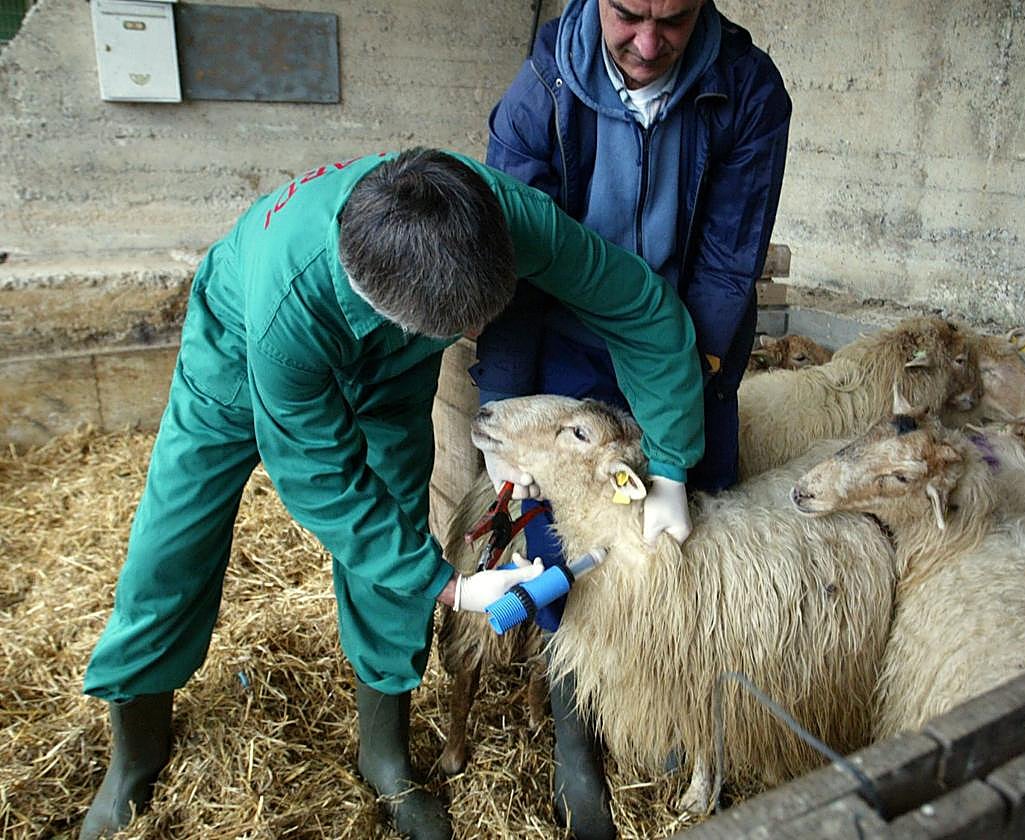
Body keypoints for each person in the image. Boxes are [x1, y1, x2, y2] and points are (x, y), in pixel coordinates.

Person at [79, 148, 704, 840]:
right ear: (384, 304)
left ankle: (383, 753)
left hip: (392, 373)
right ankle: (135, 751)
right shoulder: (289, 309)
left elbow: (638, 305)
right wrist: (452, 590)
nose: (472, 339)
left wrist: (672, 465)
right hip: (236, 356)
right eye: (457, 332)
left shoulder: (505, 218)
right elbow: (323, 480)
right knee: (174, 540)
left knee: (400, 518)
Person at [472, 1, 791, 835]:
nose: (649, 45)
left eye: (675, 20)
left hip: (689, 341)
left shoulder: (747, 90)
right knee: (569, 540)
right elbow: (510, 262)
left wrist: (682, 431)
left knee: (684, 544)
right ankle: (576, 731)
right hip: (572, 337)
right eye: (628, 14)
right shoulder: (542, 88)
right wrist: (499, 410)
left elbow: (727, 261)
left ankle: (681, 717)